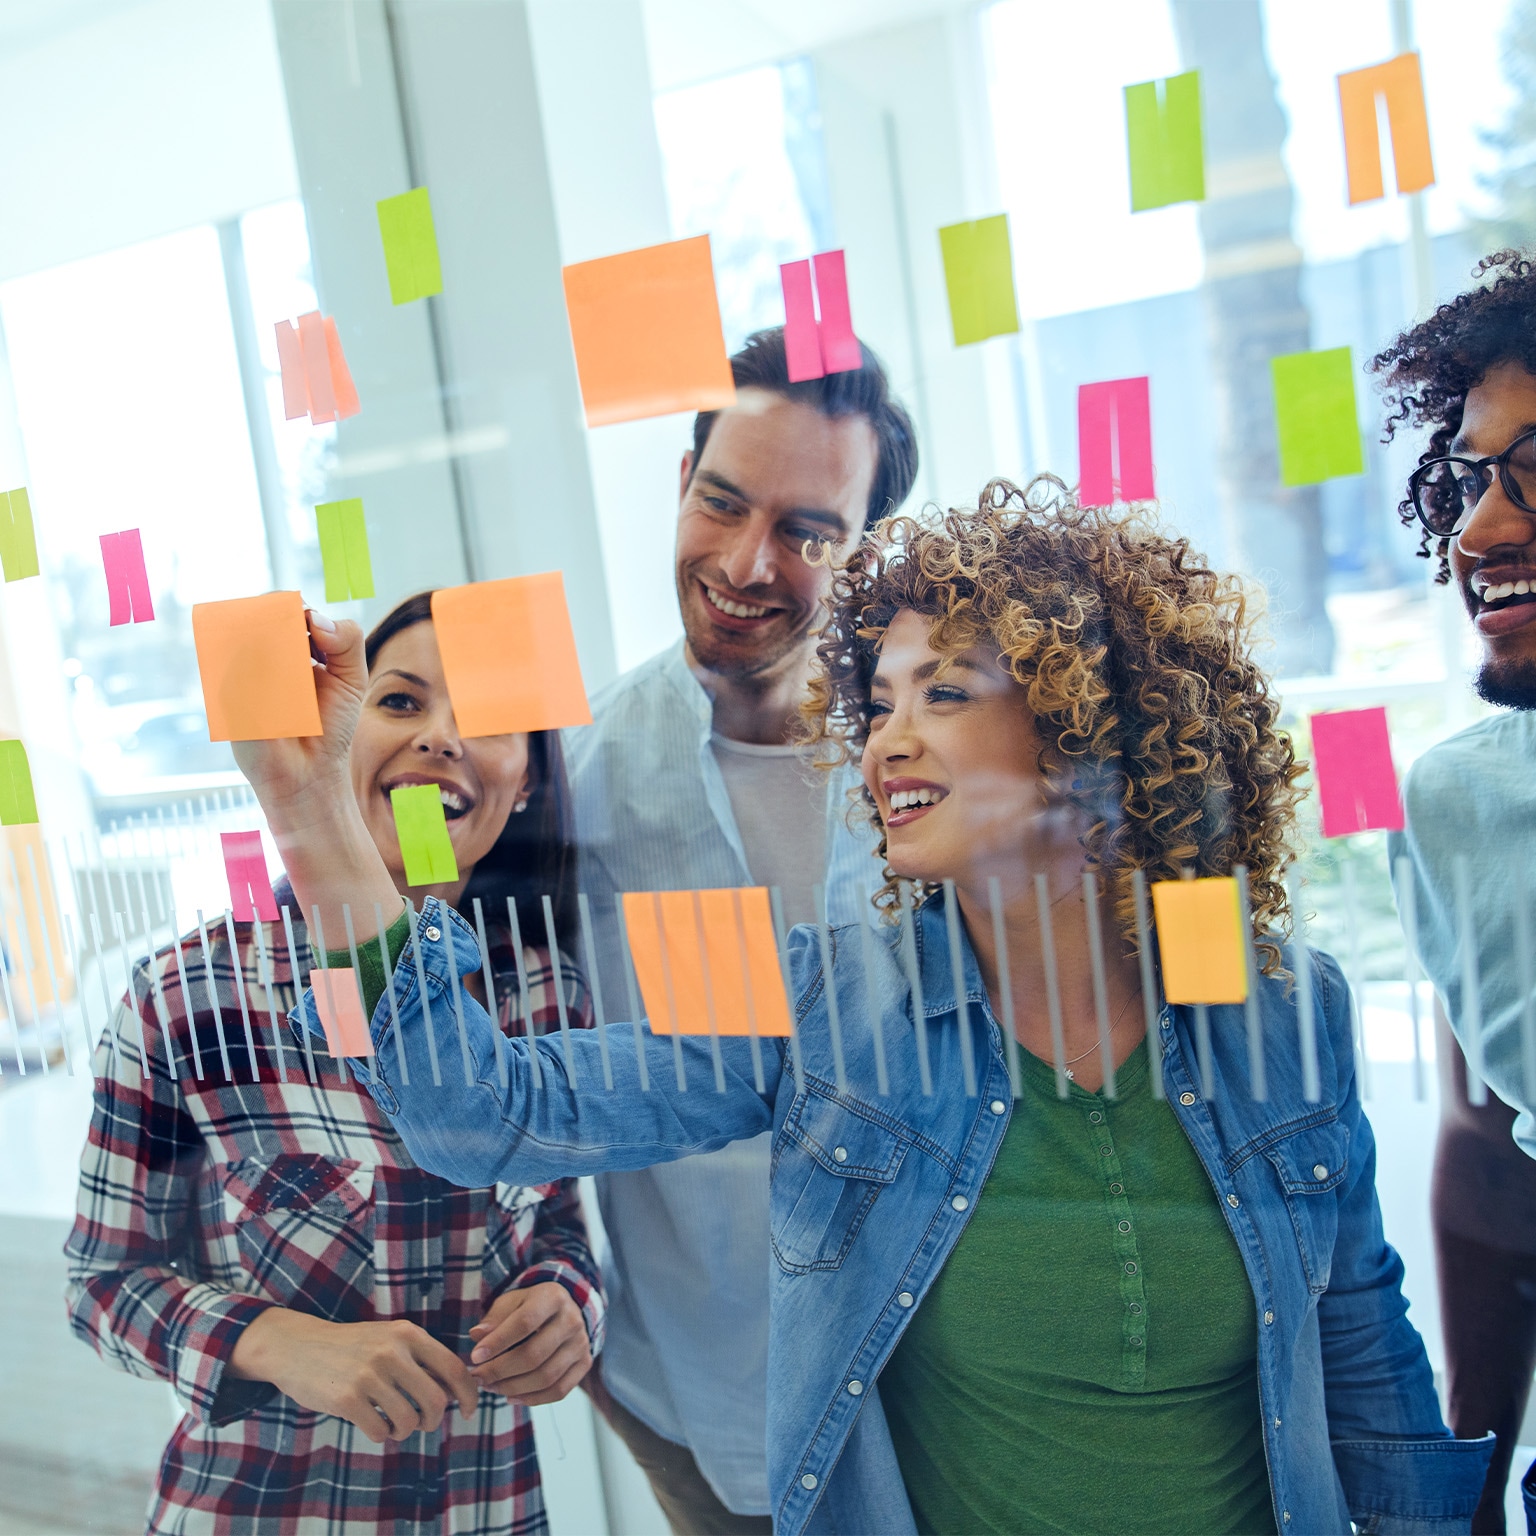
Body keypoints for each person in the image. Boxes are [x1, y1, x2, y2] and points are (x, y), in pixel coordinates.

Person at [238, 479, 1491, 1535]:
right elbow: (480, 1115)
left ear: (1086, 733)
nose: (887, 740)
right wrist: (311, 814)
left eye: (944, 695)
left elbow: (1363, 1357)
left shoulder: (1277, 1007)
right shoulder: (832, 1006)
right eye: (879, 701)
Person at [65, 593, 604, 1535]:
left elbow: (560, 1229)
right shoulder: (189, 994)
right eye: (401, 702)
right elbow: (102, 1284)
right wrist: (275, 1342)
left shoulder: (543, 991)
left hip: (490, 1509)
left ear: (526, 782)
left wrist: (571, 1306)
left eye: (488, 718)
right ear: (342, 734)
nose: (441, 737)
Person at [563, 324, 918, 1531]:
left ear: (867, 551)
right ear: (680, 484)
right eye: (720, 503)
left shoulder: (932, 764)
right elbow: (512, 1061)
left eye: (807, 531)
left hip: (941, 1392)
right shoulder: (576, 777)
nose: (745, 562)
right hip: (706, 1406)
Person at [1372, 249, 1536, 1533]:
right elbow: (1487, 1155)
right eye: (1471, 479)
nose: (1478, 531)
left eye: (1533, 471)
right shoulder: (1463, 807)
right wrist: (1465, 1484)